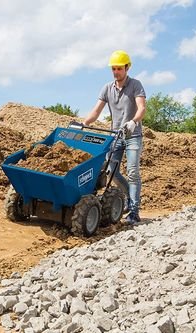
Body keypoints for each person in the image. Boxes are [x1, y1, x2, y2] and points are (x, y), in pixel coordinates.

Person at [82, 50, 146, 224]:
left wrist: (134, 121)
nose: (116, 72)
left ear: (127, 68)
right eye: (113, 69)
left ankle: (134, 212)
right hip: (115, 135)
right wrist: (84, 123)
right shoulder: (107, 88)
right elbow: (96, 111)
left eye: (119, 68)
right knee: (111, 172)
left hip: (133, 134)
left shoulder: (135, 85)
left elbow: (141, 108)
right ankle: (126, 198)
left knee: (132, 172)